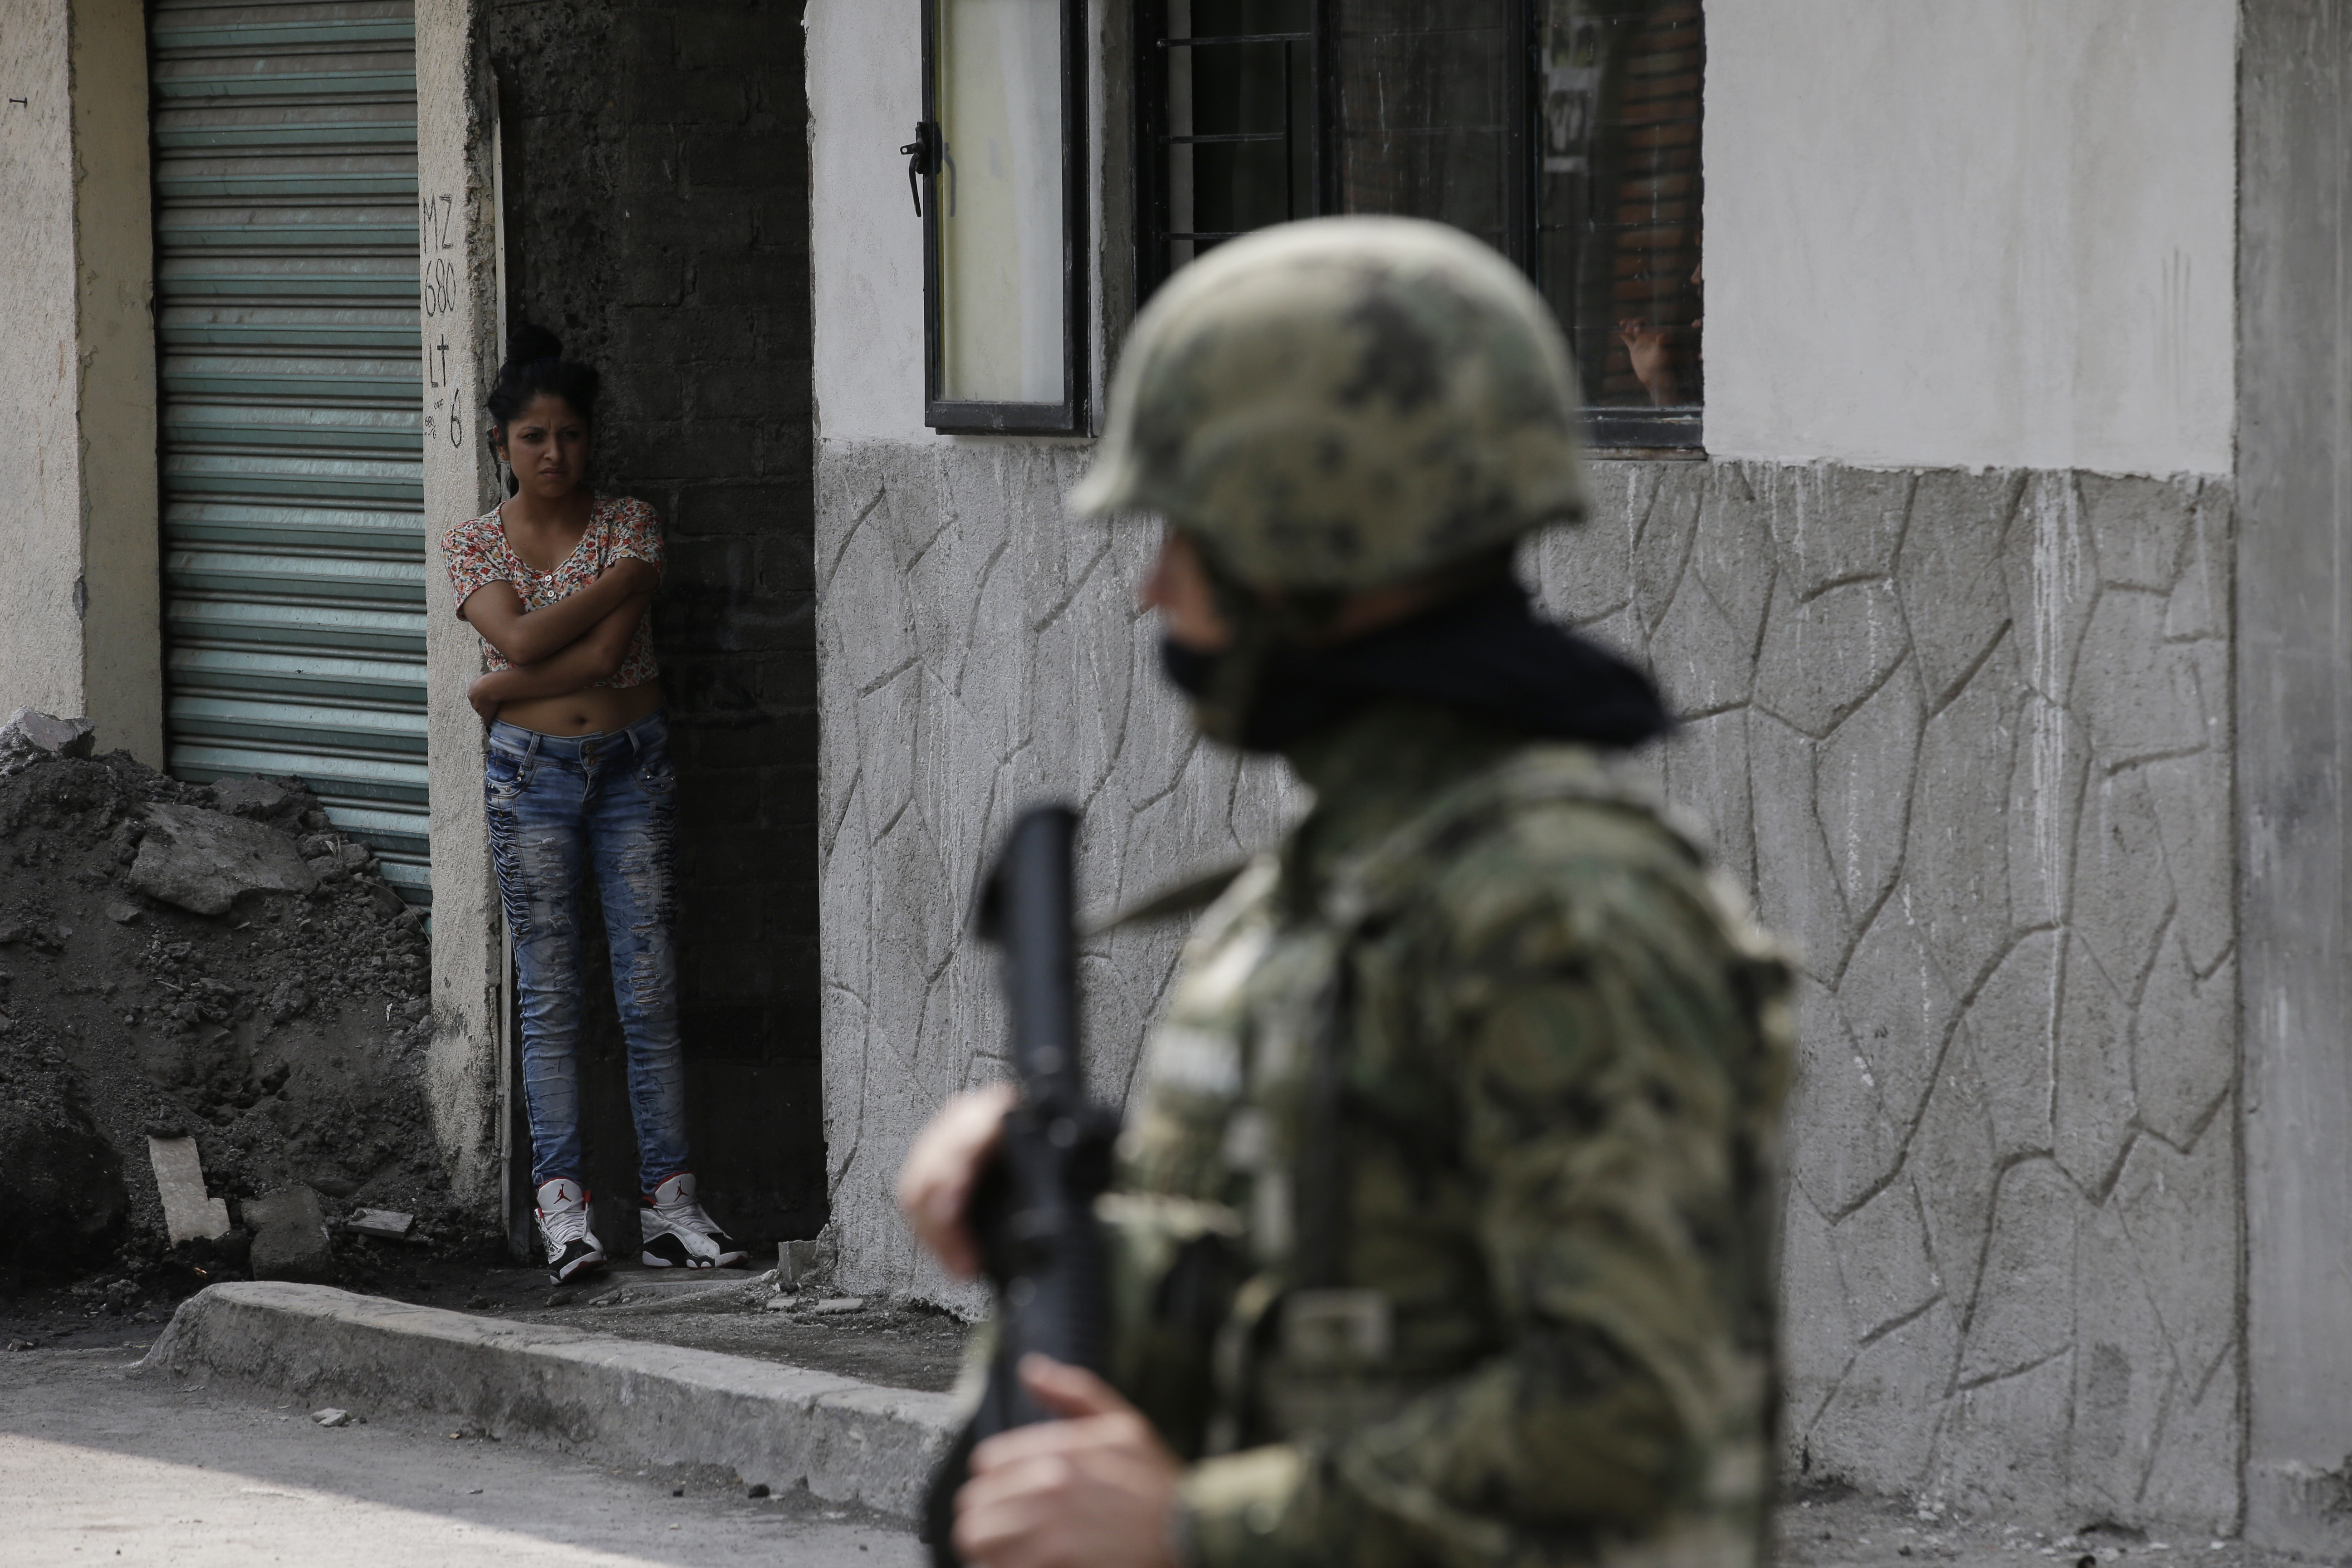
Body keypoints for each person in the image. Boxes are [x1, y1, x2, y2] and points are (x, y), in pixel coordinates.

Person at [897, 217, 1792, 1568]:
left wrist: (1200, 1529)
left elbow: (1629, 1407)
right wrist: (1057, 1219)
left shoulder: (1557, 909)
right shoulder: (1325, 890)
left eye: (1185, 536)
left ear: (1306, 537)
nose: (1154, 589)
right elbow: (1301, 1297)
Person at [441, 325, 747, 1285]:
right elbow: (522, 637)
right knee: (551, 999)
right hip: (530, 780)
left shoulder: (631, 523)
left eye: (569, 434)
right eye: (533, 436)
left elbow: (588, 658)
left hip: (631, 769)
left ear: (590, 438)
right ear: (501, 445)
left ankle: (670, 1207)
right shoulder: (473, 542)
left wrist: (498, 687)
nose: (554, 454)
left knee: (649, 994)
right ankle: (563, 1212)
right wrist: (566, 621)